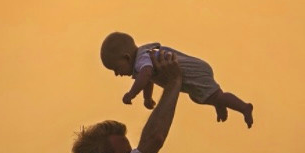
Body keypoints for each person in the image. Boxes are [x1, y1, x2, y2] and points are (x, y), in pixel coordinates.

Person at [100, 32, 254, 127]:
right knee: (198, 98)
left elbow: (146, 75)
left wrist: (131, 93)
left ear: (126, 58)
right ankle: (219, 103)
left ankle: (243, 107)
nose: (116, 74)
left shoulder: (142, 58)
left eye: (116, 69)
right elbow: (148, 79)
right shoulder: (144, 59)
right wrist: (147, 98)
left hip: (192, 71)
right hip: (196, 70)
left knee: (215, 95)